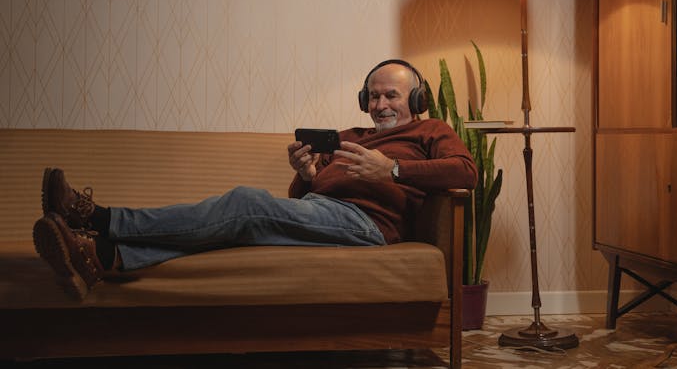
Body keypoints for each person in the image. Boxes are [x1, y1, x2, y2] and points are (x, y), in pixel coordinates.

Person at [33, 59, 478, 300]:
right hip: (323, 214)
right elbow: (301, 200)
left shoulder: (430, 131)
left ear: (416, 99)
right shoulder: (349, 137)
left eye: (392, 95)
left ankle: (96, 216)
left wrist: (393, 170)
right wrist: (305, 175)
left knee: (245, 203)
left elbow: (467, 172)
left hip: (367, 227)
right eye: (374, 95)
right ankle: (102, 257)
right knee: (240, 226)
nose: (381, 104)